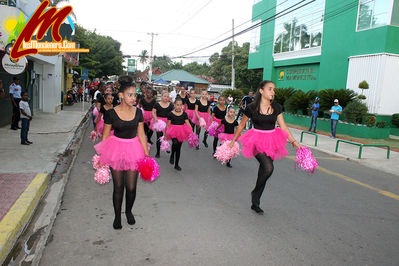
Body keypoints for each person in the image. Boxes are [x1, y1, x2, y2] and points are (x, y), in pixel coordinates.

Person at [229, 80, 300, 214]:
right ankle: (255, 193)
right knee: (268, 167)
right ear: (261, 90)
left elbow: (283, 127)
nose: (273, 92)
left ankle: (255, 201)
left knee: (264, 170)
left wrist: (294, 141)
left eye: (273, 89)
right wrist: (233, 140)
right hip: (256, 140)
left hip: (272, 140)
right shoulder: (251, 107)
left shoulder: (277, 107)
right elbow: (242, 125)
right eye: (270, 89)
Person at [94, 75, 149, 230]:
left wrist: (146, 153)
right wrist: (102, 157)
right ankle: (117, 216)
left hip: (134, 150)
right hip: (115, 149)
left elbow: (141, 134)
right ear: (121, 96)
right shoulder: (111, 113)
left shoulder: (139, 112)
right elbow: (105, 136)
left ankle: (129, 211)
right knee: (118, 187)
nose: (133, 98)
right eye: (129, 95)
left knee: (131, 187)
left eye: (134, 95)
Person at [164, 97, 192, 171]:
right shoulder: (170, 114)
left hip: (182, 132)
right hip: (172, 131)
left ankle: (176, 164)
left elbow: (188, 123)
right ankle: (172, 154)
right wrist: (165, 135)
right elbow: (167, 125)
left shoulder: (184, 114)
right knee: (175, 143)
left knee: (179, 148)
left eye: (180, 105)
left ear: (182, 106)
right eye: (177, 105)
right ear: (174, 105)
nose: (179, 106)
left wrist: (191, 132)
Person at [151, 91, 174, 158]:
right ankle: (158, 152)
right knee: (159, 137)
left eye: (167, 96)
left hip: (167, 122)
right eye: (164, 96)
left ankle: (166, 147)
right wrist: (155, 119)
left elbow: (173, 113)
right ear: (161, 97)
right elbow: (153, 112)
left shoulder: (170, 105)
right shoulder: (157, 104)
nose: (166, 98)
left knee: (167, 136)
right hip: (159, 122)